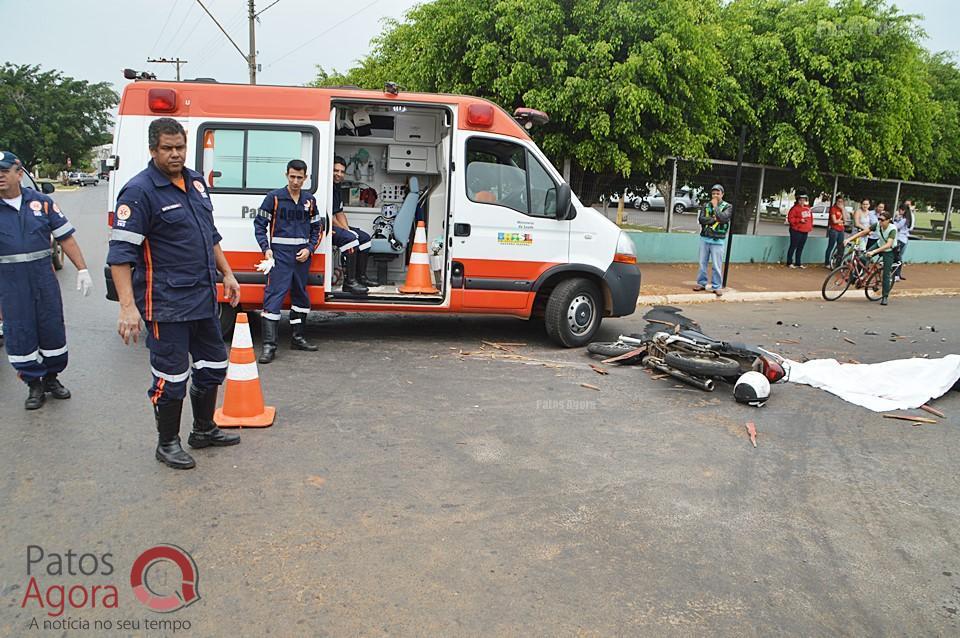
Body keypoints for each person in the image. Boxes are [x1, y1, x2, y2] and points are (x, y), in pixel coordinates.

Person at [107, 118, 241, 470]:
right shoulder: (139, 193)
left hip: (202, 297)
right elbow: (120, 257)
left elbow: (209, 235)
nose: (175, 154)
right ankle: (167, 443)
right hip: (165, 303)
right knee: (171, 377)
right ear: (153, 150)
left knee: (214, 364)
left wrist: (227, 273)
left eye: (180, 147)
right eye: (167, 148)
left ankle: (204, 429)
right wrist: (127, 308)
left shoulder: (196, 182)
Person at [0, 151, 93, 410]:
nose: (0, 176)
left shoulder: (42, 203)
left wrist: (82, 269)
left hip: (43, 278)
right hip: (10, 283)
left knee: (51, 326)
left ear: (19, 174)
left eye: (4, 171)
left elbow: (65, 238)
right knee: (19, 332)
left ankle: (52, 378)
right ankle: (34, 384)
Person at [254, 159, 322, 364]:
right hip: (280, 257)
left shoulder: (309, 200)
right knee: (274, 297)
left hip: (301, 259)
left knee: (301, 297)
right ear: (286, 175)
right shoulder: (273, 198)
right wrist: (266, 249)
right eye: (292, 176)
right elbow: (259, 225)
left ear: (305, 178)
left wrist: (309, 249)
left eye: (299, 177)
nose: (295, 181)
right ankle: (269, 346)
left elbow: (317, 229)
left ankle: (298, 338)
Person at [331, 156, 378, 295]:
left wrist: (346, 229)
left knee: (364, 238)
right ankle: (349, 283)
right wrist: (348, 233)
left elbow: (339, 212)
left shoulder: (337, 187)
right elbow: (330, 216)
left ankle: (360, 277)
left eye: (341, 171)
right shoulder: (326, 186)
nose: (339, 174)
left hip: (335, 223)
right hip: (326, 226)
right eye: (335, 170)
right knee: (351, 239)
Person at [845, 208, 897, 305]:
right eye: (879, 219)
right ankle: (855, 276)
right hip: (879, 244)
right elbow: (863, 232)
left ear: (888, 220)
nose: (880, 221)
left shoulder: (892, 229)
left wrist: (873, 252)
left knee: (886, 274)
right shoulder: (877, 225)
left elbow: (888, 244)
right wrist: (849, 239)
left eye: (882, 220)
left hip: (888, 250)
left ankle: (885, 296)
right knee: (862, 257)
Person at [692, 184, 731, 297]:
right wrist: (713, 219)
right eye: (714, 193)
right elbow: (701, 219)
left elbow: (723, 218)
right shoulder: (706, 205)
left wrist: (715, 208)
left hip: (718, 240)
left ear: (722, 194)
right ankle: (701, 283)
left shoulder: (727, 206)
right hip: (705, 237)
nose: (715, 195)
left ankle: (717, 286)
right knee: (702, 263)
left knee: (716, 265)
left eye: (718, 193)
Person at [786, 192, 812, 268]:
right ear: (798, 200)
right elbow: (790, 219)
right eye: (800, 200)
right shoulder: (794, 209)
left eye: (803, 200)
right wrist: (800, 220)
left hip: (805, 230)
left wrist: (810, 226)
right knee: (793, 246)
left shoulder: (808, 208)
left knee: (801, 247)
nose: (802, 201)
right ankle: (789, 262)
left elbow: (810, 218)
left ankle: (798, 262)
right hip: (796, 230)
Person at [893, 202, 914, 280]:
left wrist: (895, 219)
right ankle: (897, 274)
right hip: (903, 239)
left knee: (896, 257)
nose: (899, 211)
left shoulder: (904, 219)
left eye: (900, 210)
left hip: (900, 239)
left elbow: (896, 226)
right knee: (898, 257)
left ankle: (896, 274)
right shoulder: (906, 219)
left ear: (903, 210)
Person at [824, 196, 846, 267]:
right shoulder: (833, 209)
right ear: (836, 202)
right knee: (831, 246)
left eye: (841, 202)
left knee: (841, 247)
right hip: (834, 229)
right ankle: (827, 262)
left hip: (841, 229)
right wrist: (839, 220)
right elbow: (834, 221)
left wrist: (843, 210)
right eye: (839, 201)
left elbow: (845, 220)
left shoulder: (841, 210)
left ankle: (838, 263)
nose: (840, 203)